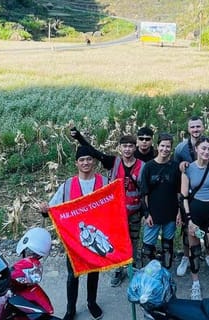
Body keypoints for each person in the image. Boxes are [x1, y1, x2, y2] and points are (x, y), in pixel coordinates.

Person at [40, 145, 107, 320]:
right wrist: (44, 209)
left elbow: (113, 207)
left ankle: (91, 303)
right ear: (76, 163)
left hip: (95, 235)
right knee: (73, 274)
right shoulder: (68, 185)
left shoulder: (105, 182)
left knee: (94, 271)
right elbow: (52, 207)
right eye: (82, 160)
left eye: (89, 159)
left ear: (94, 161)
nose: (86, 163)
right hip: (74, 239)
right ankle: (71, 308)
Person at [70, 130, 144, 287]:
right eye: (125, 146)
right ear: (120, 148)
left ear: (135, 148)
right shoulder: (113, 162)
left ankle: (132, 268)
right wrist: (79, 138)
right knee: (116, 241)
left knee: (133, 241)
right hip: (115, 213)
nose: (128, 149)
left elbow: (146, 189)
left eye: (131, 146)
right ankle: (118, 269)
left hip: (134, 212)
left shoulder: (142, 166)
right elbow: (94, 152)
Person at [173, 116, 209, 277]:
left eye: (198, 126)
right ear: (188, 129)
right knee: (188, 229)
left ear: (203, 127)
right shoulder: (180, 148)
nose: (195, 130)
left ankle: (208, 255)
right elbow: (176, 169)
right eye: (192, 127)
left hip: (207, 194)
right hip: (188, 195)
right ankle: (187, 257)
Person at [181, 137, 209, 300]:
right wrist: (189, 220)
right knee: (194, 252)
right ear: (196, 149)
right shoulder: (188, 169)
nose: (207, 152)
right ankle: (195, 284)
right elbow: (184, 197)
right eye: (203, 148)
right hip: (194, 216)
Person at [138, 133, 182, 269]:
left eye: (168, 146)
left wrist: (180, 212)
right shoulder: (148, 167)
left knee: (168, 246)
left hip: (171, 213)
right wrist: (146, 214)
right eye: (162, 146)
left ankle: (166, 273)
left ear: (171, 148)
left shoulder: (175, 167)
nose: (165, 149)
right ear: (157, 146)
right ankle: (148, 277)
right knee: (147, 249)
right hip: (153, 214)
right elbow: (143, 193)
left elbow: (179, 192)